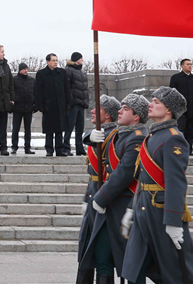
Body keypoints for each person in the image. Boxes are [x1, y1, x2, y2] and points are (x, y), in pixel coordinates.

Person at [121, 87, 193, 284]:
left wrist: (174, 222)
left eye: (157, 102)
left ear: (169, 110)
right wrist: (132, 210)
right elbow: (143, 179)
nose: (151, 104)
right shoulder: (151, 136)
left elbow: (176, 183)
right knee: (134, 269)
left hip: (160, 212)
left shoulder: (173, 138)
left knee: (174, 273)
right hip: (144, 210)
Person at [77, 94, 149, 284]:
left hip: (124, 202)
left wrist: (100, 199)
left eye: (125, 108)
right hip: (109, 200)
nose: (120, 111)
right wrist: (88, 136)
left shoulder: (136, 137)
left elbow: (123, 173)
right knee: (102, 257)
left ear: (136, 116)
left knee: (129, 263)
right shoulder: (123, 133)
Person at [78, 94, 120, 283]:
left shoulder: (115, 135)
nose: (93, 111)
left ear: (109, 115)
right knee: (86, 249)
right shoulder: (97, 133)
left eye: (99, 108)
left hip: (105, 198)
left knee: (102, 254)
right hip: (93, 193)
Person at [35, 53, 71, 157]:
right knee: (49, 129)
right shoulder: (41, 74)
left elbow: (67, 89)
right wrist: (40, 105)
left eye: (56, 60)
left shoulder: (62, 73)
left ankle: (60, 149)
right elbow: (38, 91)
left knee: (59, 129)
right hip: (48, 106)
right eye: (53, 60)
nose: (55, 62)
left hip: (60, 105)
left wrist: (69, 103)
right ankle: (49, 149)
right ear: (47, 62)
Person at [169, 58, 193, 156]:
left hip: (192, 109)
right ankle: (179, 150)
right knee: (180, 131)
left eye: (191, 64)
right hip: (180, 111)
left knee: (191, 131)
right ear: (182, 66)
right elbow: (172, 94)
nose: (190, 66)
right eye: (187, 64)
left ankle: (189, 150)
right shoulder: (176, 78)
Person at [65, 52, 89, 156]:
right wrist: (69, 102)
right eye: (81, 58)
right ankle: (66, 147)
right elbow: (66, 88)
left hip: (81, 104)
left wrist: (86, 102)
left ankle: (80, 148)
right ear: (76, 59)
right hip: (73, 104)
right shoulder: (68, 70)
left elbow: (85, 89)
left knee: (80, 127)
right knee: (69, 127)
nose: (82, 60)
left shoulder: (83, 73)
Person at [11, 63, 36, 155]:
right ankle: (14, 147)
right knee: (15, 129)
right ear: (20, 70)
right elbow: (12, 93)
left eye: (26, 69)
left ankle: (27, 147)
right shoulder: (14, 80)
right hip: (17, 108)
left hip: (28, 108)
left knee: (28, 129)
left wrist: (34, 104)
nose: (26, 70)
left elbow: (35, 93)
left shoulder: (32, 80)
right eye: (24, 69)